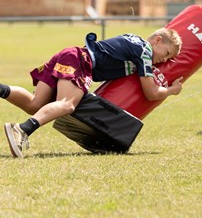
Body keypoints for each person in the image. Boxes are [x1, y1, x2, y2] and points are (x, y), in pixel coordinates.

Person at [1, 28, 184, 158]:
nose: (164, 60)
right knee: (67, 104)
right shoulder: (145, 51)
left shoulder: (134, 40)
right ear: (157, 40)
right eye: (167, 53)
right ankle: (23, 130)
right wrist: (171, 90)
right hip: (81, 61)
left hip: (71, 53)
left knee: (35, 104)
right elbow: (151, 92)